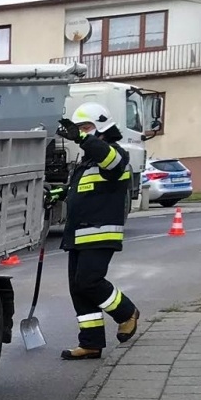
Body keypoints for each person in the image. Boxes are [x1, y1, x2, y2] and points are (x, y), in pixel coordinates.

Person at [55, 102, 140, 361]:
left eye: (86, 127)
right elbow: (83, 190)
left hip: (99, 233)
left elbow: (110, 161)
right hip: (78, 234)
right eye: (79, 128)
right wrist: (60, 193)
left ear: (102, 127)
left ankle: (126, 313)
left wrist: (82, 138)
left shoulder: (115, 155)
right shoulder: (87, 161)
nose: (81, 132)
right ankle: (90, 343)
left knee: (89, 282)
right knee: (78, 289)